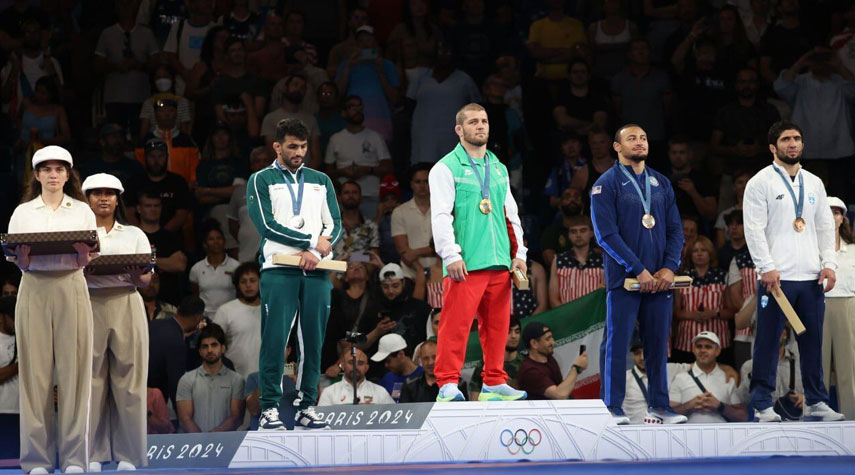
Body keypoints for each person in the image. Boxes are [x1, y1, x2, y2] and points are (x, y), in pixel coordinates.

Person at [742, 120, 844, 422]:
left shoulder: (814, 183)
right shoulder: (760, 182)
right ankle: (761, 403)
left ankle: (816, 400)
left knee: (812, 342)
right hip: (777, 277)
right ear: (773, 147)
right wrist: (766, 266)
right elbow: (754, 229)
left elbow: (826, 227)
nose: (793, 144)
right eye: (786, 139)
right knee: (768, 341)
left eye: (797, 138)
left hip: (811, 277)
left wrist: (829, 264)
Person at [247, 118, 342, 430]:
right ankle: (270, 407)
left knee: (313, 342)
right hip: (278, 268)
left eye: (303, 146)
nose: (299, 152)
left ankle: (306, 405)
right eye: (292, 146)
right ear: (277, 146)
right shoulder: (261, 179)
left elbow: (335, 225)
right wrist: (311, 242)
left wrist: (314, 254)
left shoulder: (321, 180)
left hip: (316, 270)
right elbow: (266, 225)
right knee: (275, 340)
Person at [429, 103, 527, 402]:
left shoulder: (497, 167)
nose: (480, 126)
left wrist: (519, 252)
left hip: (499, 260)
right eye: (473, 122)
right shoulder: (445, 168)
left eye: (484, 121)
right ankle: (447, 383)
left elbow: (510, 212)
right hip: (466, 262)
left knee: (498, 326)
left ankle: (494, 382)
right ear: (459, 130)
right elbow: (441, 216)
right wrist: (451, 255)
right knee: (455, 325)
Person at [7, 146, 98, 474]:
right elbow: (15, 257)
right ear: (37, 174)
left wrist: (85, 257)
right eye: (47, 169)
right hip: (33, 286)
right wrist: (23, 260)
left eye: (60, 169)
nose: (54, 175)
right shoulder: (23, 212)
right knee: (35, 376)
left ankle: (75, 459)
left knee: (75, 375)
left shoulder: (82, 211)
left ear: (68, 174)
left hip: (71, 285)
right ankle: (36, 461)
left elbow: (91, 255)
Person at [590, 124, 686, 425]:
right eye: (631, 138)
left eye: (643, 137)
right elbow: (606, 235)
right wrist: (639, 270)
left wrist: (670, 267)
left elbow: (675, 230)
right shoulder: (605, 185)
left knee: (658, 344)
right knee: (617, 344)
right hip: (626, 281)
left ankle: (659, 405)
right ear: (616, 147)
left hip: (660, 280)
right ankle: (612, 408)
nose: (639, 142)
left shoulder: (661, 182)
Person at [81, 174, 151, 472]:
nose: (103, 198)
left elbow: (146, 280)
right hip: (88, 301)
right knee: (90, 382)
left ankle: (129, 456)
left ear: (118, 198)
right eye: (97, 193)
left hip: (126, 298)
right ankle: (92, 455)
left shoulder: (134, 232)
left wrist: (136, 274)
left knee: (130, 381)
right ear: (87, 198)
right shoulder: (75, 232)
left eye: (110, 193)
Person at [407, 42, 481, 164]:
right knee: (424, 171)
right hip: (424, 137)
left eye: (448, 53)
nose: (444, 56)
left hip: (453, 138)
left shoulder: (464, 79)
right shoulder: (421, 77)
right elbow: (409, 103)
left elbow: (477, 107)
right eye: (440, 52)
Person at [93, 0, 159, 135]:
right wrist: (115, 66)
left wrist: (139, 65)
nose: (126, 8)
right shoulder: (107, 33)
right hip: (114, 97)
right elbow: (97, 65)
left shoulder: (146, 33)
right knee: (115, 136)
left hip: (141, 97)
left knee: (139, 136)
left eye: (129, 4)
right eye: (122, 4)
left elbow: (156, 63)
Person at [324, 94, 393, 220]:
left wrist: (367, 170)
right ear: (343, 113)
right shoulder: (336, 139)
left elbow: (388, 168)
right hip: (345, 198)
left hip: (370, 195)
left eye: (360, 106)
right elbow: (327, 172)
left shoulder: (375, 137)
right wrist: (343, 172)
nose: (357, 110)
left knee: (372, 234)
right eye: (352, 107)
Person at [673, 236, 733, 365]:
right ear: (690, 254)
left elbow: (731, 311)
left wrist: (714, 313)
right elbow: (675, 312)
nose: (699, 254)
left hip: (718, 341)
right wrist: (692, 314)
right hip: (686, 343)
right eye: (695, 251)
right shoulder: (682, 278)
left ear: (710, 253)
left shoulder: (724, 276)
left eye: (703, 250)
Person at [176, 323, 245, 432]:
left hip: (227, 444)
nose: (209, 350)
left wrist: (213, 438)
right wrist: (203, 442)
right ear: (199, 351)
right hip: (194, 445)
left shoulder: (237, 380)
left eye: (214, 345)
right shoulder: (187, 380)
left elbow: (236, 418)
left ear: (223, 348)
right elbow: (185, 419)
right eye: (205, 346)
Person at [822, 197, 855, 419]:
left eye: (836, 213)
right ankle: (815, 416)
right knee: (817, 366)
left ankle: (851, 419)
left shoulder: (852, 250)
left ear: (842, 218)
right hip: (819, 305)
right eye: (827, 212)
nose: (832, 217)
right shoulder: (811, 249)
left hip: (847, 305)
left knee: (848, 369)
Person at [669, 331, 748, 423]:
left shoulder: (729, 379)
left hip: (721, 435)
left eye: (708, 347)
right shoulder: (680, 378)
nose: (703, 350)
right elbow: (669, 415)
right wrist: (689, 405)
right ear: (693, 350)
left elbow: (743, 417)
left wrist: (719, 406)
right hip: (688, 435)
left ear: (717, 351)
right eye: (699, 346)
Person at [147, 296, 205, 413]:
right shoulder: (176, 342)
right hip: (152, 404)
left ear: (178, 310)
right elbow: (176, 385)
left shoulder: (154, 324)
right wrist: (182, 416)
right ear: (197, 317)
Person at [126, 138, 192, 233]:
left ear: (167, 157)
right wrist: (141, 235)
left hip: (170, 237)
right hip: (139, 237)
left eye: (160, 156)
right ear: (145, 157)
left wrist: (161, 235)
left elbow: (181, 214)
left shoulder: (178, 182)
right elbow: (129, 213)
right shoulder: (134, 182)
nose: (156, 161)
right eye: (152, 156)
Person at [134, 190, 188, 306]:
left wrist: (147, 260)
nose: (153, 209)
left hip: (169, 300)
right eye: (148, 206)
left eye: (156, 205)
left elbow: (180, 265)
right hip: (138, 302)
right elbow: (129, 263)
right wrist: (165, 262)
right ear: (139, 209)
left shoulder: (171, 237)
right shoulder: (132, 236)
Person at [737, 329, 804, 420]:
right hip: (765, 424)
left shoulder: (800, 363)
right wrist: (752, 376)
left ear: (784, 334)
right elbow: (742, 400)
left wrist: (805, 399)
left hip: (797, 422)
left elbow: (815, 393)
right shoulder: (749, 366)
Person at [212, 262, 262, 380]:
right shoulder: (225, 311)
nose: (248, 285)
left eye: (252, 280)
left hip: (267, 381)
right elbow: (213, 344)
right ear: (237, 285)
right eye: (243, 282)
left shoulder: (271, 309)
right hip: (234, 380)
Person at [517, 321, 589, 401]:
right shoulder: (529, 371)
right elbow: (559, 395)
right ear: (534, 343)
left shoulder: (549, 359)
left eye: (552, 338)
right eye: (548, 339)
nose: (553, 342)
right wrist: (576, 368)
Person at [549, 215, 605, 307]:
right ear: (569, 235)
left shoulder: (602, 260)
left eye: (583, 230)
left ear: (591, 233)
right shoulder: (559, 260)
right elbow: (553, 299)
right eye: (573, 231)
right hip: (566, 318)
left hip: (596, 317)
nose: (578, 235)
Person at [391, 163, 436, 279]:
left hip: (440, 273)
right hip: (410, 274)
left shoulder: (445, 210)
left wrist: (416, 252)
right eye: (418, 182)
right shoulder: (399, 212)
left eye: (426, 181)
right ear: (411, 184)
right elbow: (404, 252)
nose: (422, 186)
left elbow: (448, 247)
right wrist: (421, 272)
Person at [189, 222, 240, 317]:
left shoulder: (236, 266)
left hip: (230, 315)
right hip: (205, 317)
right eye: (211, 239)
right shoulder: (196, 268)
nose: (216, 242)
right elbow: (195, 295)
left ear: (224, 242)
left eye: (219, 238)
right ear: (205, 244)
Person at [228, 147, 269, 263]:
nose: (262, 164)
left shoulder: (283, 190)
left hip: (275, 256)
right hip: (247, 253)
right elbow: (232, 226)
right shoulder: (239, 192)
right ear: (252, 166)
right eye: (258, 161)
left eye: (266, 161)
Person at [469, 317, 525, 401]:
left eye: (517, 332)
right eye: (508, 332)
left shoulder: (526, 364)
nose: (514, 336)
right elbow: (474, 398)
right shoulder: (486, 364)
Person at [317, 348, 394, 406]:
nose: (355, 367)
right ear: (342, 366)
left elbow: (393, 417)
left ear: (366, 368)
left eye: (360, 363)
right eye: (351, 362)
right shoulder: (329, 392)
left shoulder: (380, 391)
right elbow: (321, 421)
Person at [78, 123, 144, 184]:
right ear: (102, 142)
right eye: (113, 136)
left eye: (120, 136)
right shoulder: (90, 168)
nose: (118, 140)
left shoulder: (135, 167)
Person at [332, 181, 380, 262]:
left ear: (361, 198)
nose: (350, 196)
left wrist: (348, 258)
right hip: (333, 272)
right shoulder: (330, 225)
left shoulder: (371, 226)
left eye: (354, 192)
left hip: (361, 273)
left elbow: (373, 258)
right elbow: (324, 256)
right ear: (339, 198)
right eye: (346, 193)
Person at [540, 187, 586, 266]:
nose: (572, 200)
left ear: (582, 204)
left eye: (576, 197)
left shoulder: (593, 230)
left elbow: (599, 255)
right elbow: (550, 259)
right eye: (567, 197)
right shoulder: (551, 231)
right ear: (560, 205)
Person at [371, 333, 423, 401]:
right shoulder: (387, 379)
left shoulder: (425, 376)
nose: (386, 365)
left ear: (401, 354)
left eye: (388, 361)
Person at [0, 296, 19, 461]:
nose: (15, 322)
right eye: (12, 318)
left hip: (23, 412)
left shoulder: (25, 339)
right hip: (3, 411)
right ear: (2, 317)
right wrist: (21, 366)